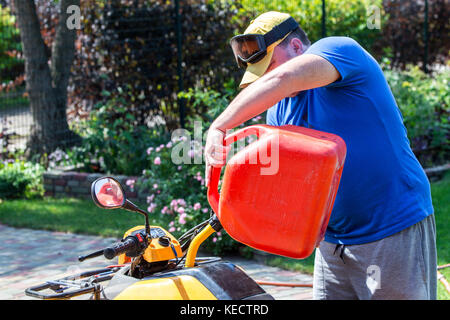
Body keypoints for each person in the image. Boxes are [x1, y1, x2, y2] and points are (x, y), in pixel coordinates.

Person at [204, 11, 437, 300]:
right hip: (332, 243)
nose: (266, 78)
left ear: (298, 47)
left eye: (270, 67)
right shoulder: (279, 111)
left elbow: (285, 78)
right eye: (261, 74)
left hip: (389, 229)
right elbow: (290, 184)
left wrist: (220, 125)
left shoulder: (340, 50)